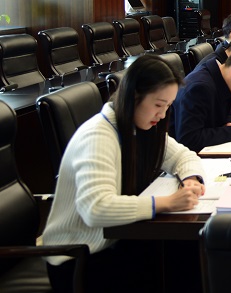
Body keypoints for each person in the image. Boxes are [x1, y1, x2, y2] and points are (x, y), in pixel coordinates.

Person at [43, 55, 205, 293]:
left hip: (118, 239)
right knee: (180, 263)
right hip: (79, 257)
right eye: (158, 105)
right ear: (134, 96)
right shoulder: (98, 135)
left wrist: (190, 179)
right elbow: (95, 208)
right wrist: (167, 202)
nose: (162, 115)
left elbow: (184, 156)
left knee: (189, 254)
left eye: (168, 106)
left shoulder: (140, 126)